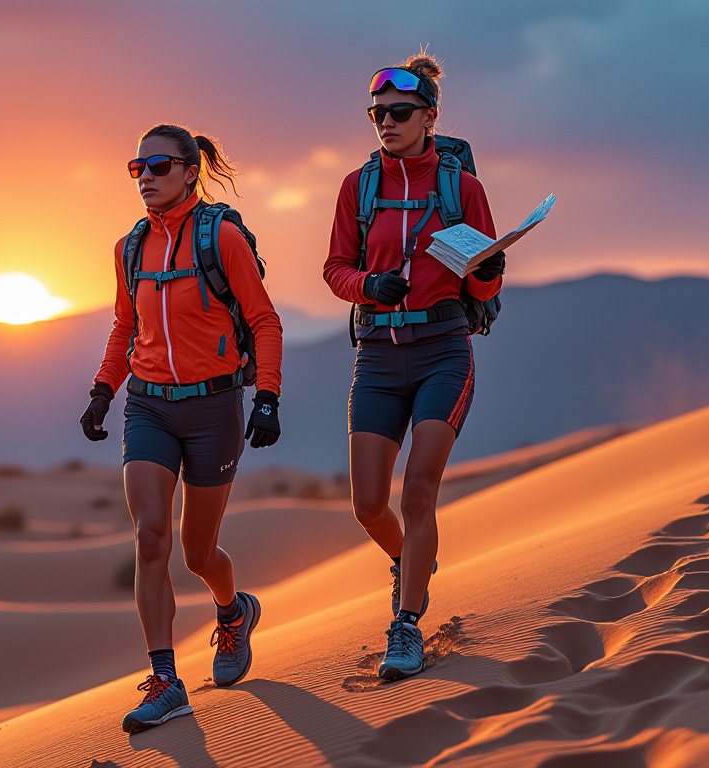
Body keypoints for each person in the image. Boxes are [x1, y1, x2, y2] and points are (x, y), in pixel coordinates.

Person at [81, 123, 284, 732]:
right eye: (136, 167)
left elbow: (264, 320)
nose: (145, 177)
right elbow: (125, 326)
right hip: (148, 406)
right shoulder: (128, 247)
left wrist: (267, 396)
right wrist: (102, 389)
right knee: (150, 538)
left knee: (199, 552)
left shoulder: (220, 236)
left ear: (191, 170)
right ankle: (166, 680)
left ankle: (233, 612)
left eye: (158, 166)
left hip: (214, 408)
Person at [322, 51, 504, 681]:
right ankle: (411, 562)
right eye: (377, 115)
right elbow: (334, 270)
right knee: (368, 504)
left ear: (430, 116)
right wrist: (371, 286)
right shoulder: (358, 186)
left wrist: (486, 272)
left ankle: (406, 624)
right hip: (377, 357)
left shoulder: (462, 188)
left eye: (399, 113)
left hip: (443, 352)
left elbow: (483, 288)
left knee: (418, 490)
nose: (386, 123)